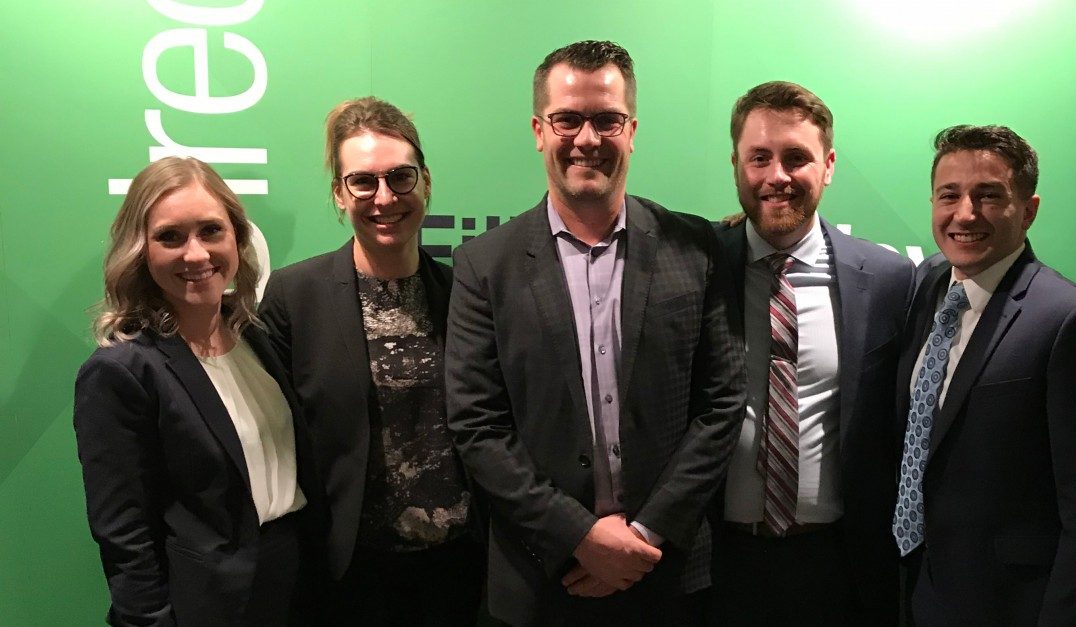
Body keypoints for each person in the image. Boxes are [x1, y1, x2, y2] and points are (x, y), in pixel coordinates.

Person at [443, 40, 746, 627]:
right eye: (567, 119)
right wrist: (580, 536)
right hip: (540, 576)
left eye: (607, 120)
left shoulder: (697, 248)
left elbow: (722, 404)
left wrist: (645, 535)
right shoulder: (484, 265)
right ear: (539, 129)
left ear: (631, 130)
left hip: (666, 572)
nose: (587, 138)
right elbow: (477, 426)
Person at [896, 124, 1076, 625]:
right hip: (917, 590)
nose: (965, 213)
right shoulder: (927, 285)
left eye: (989, 196)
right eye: (950, 195)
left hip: (1012, 606)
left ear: (1028, 210)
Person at [258, 97, 485, 625]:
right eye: (363, 181)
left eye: (400, 177)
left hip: (458, 568)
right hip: (347, 576)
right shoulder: (295, 298)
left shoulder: (464, 294)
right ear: (340, 192)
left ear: (425, 181)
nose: (384, 197)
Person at [74, 156, 320, 626]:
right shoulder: (122, 371)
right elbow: (124, 535)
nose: (196, 254)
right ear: (140, 250)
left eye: (211, 230)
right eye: (170, 236)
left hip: (294, 581)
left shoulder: (258, 338)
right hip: (208, 604)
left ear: (237, 238)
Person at [711, 81, 912, 625]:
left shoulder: (890, 280)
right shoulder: (695, 265)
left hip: (837, 567)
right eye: (760, 158)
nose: (778, 176)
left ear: (827, 165)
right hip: (716, 565)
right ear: (736, 166)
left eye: (797, 157)